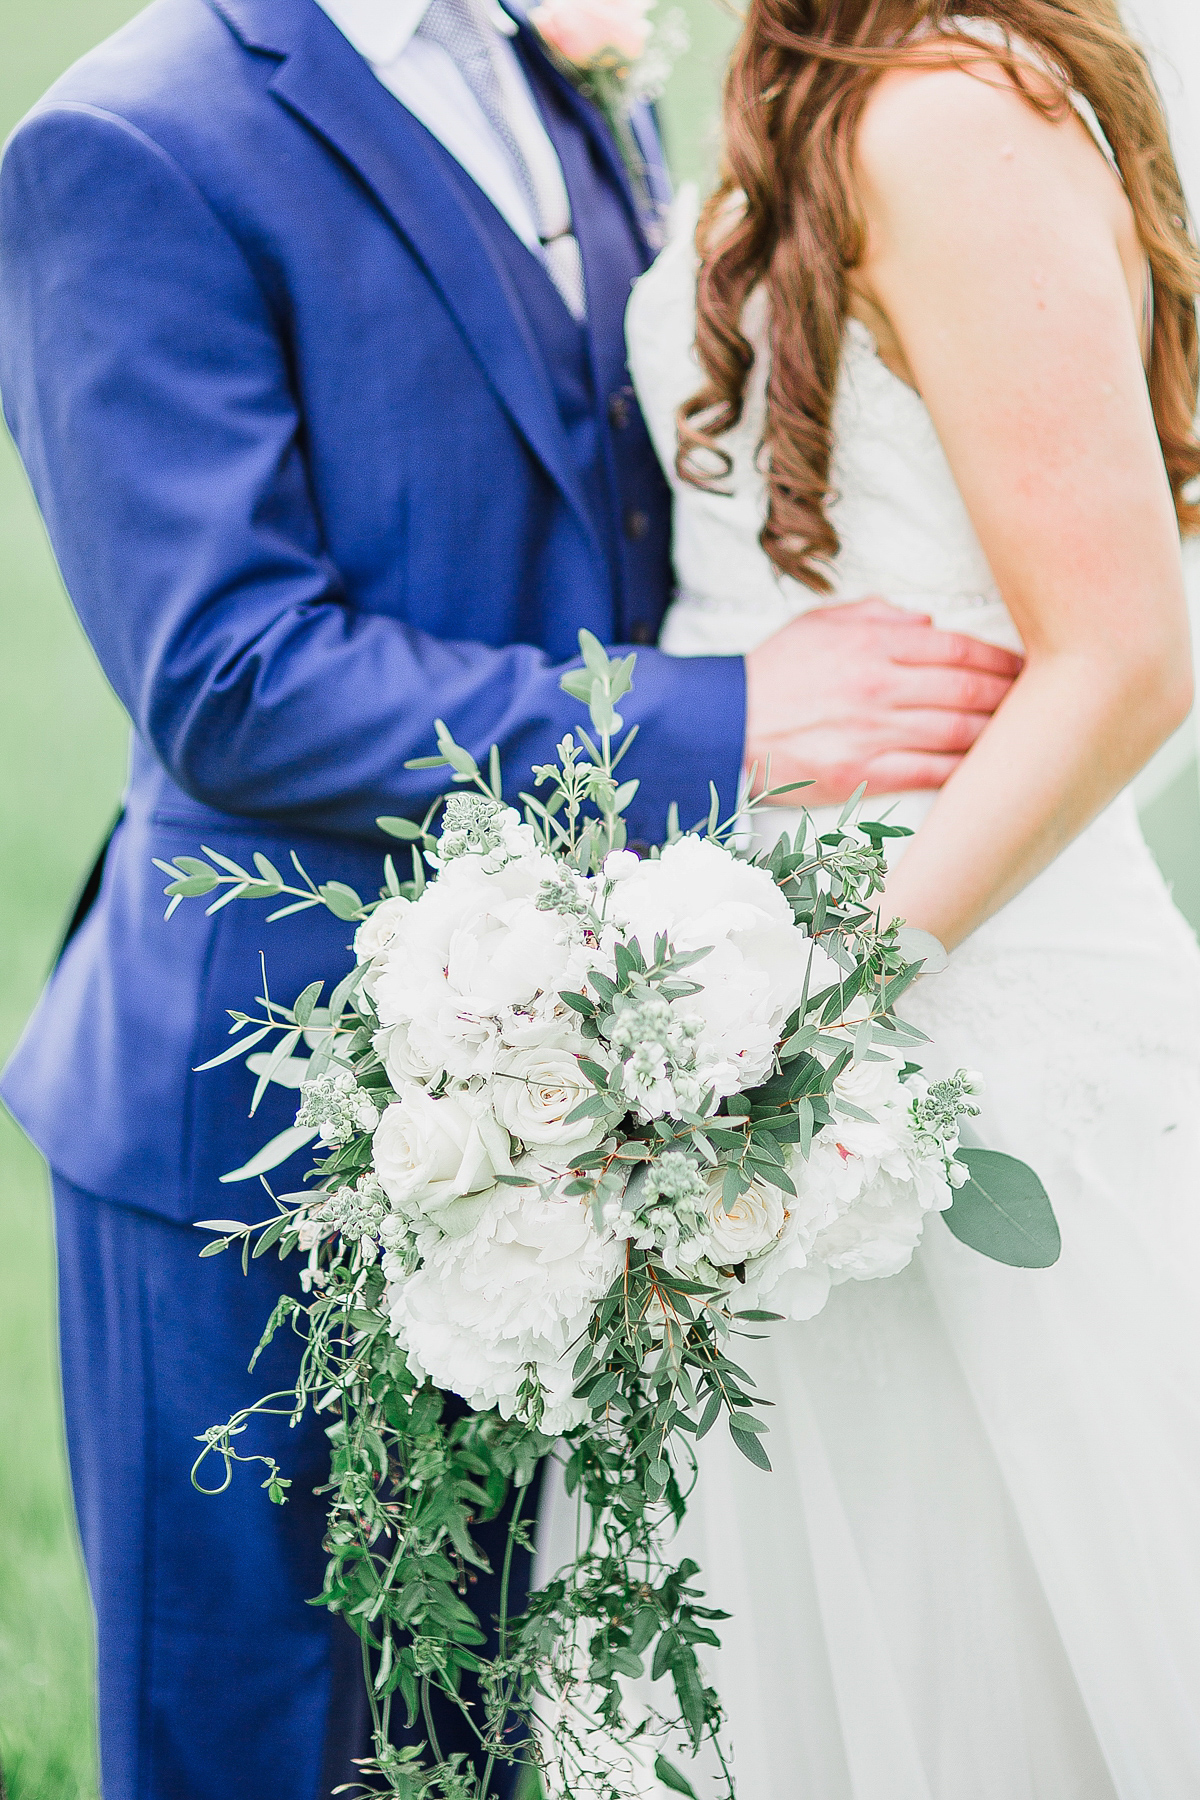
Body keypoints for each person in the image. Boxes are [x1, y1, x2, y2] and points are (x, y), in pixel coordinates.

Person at [0, 0, 1020, 1792]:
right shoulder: (128, 141)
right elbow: (232, 678)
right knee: (262, 1740)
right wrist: (728, 721)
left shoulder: (558, 54)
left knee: (488, 1727)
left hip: (583, 1085)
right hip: (257, 1118)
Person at [549, 0, 1200, 1791]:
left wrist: (803, 1020)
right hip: (747, 1003)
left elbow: (1130, 655)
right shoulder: (819, 72)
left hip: (930, 1014)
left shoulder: (948, 109)